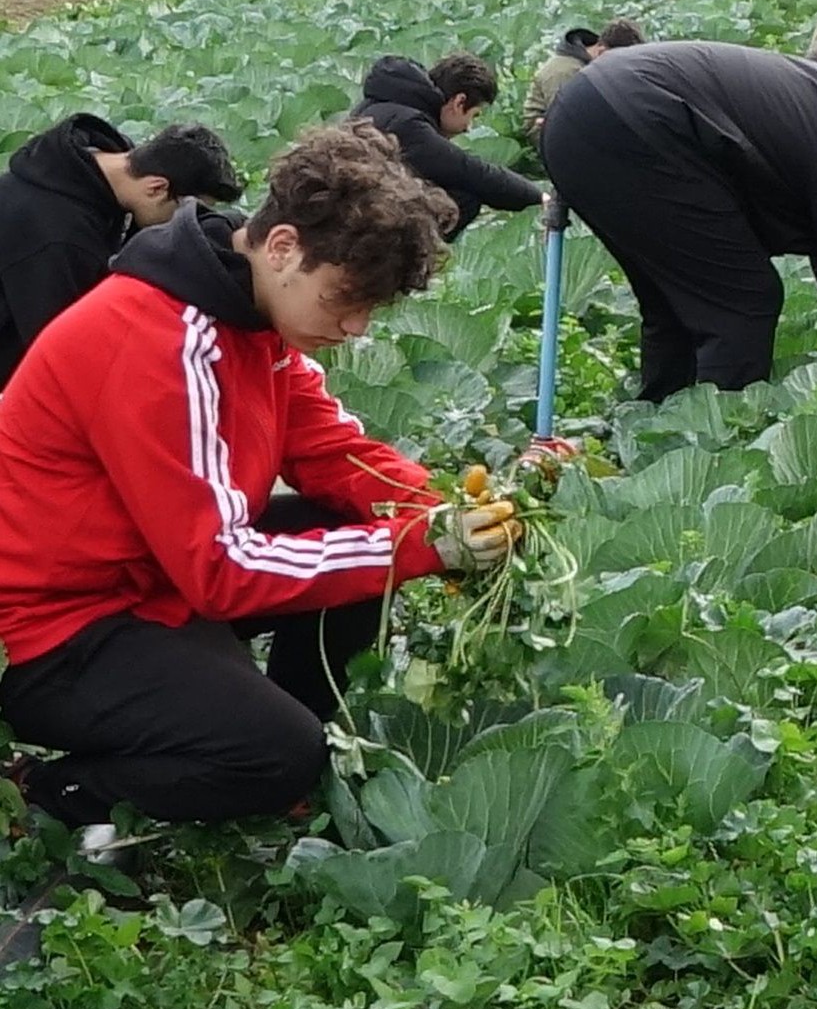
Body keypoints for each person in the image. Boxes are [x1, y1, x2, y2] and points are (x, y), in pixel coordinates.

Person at [0, 122, 519, 847]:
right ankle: (53, 791)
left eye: (374, 306)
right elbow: (220, 571)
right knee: (279, 753)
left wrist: (447, 513)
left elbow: (335, 453)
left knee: (335, 526)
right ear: (282, 248)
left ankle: (270, 719)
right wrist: (423, 544)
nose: (358, 326)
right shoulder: (158, 340)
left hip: (153, 581)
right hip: (58, 631)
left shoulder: (252, 315)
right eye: (346, 297)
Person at [541, 40, 817, 421]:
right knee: (744, 302)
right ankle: (716, 443)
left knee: (674, 301)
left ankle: (660, 425)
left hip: (581, 117)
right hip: (634, 123)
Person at [0, 115, 241, 388]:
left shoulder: (100, 166)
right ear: (158, 187)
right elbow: (66, 357)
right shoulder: (59, 238)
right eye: (182, 211)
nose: (183, 223)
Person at [352, 51, 543, 240]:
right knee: (462, 200)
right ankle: (404, 267)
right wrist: (540, 198)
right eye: (473, 115)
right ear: (459, 102)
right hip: (351, 226)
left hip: (348, 214)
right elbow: (471, 173)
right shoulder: (408, 125)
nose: (469, 128)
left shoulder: (379, 105)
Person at [524, 18, 644, 145]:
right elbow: (565, 120)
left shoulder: (586, 67)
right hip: (547, 135)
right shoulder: (565, 71)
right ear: (602, 51)